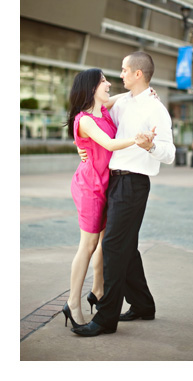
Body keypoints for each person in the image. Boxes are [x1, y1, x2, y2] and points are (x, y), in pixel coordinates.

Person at [72, 52, 176, 336]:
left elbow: (170, 153)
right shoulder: (122, 103)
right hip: (113, 182)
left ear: (138, 74)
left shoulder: (156, 110)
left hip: (133, 184)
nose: (121, 75)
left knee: (114, 248)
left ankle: (106, 319)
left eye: (124, 70)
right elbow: (95, 124)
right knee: (126, 247)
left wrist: (149, 147)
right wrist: (79, 147)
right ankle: (143, 305)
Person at [62, 69, 150, 329]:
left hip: (107, 184)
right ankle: (73, 303)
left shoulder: (104, 109)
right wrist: (137, 139)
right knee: (88, 245)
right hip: (90, 186)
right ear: (91, 88)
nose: (109, 84)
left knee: (105, 242)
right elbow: (109, 145)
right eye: (102, 81)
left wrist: (145, 92)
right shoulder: (86, 119)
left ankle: (98, 291)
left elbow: (124, 97)